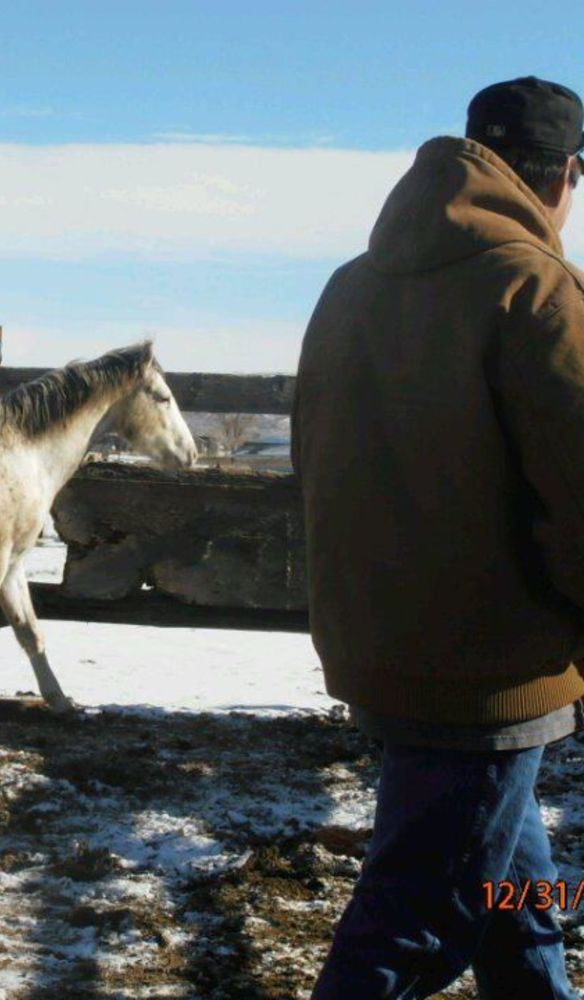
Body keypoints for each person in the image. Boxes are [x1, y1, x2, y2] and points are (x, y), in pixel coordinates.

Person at [292, 76, 584, 999]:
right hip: (491, 666)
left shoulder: (351, 286)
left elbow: (313, 453)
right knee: (419, 919)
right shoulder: (535, 287)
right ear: (566, 176)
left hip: (381, 642)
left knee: (511, 889)